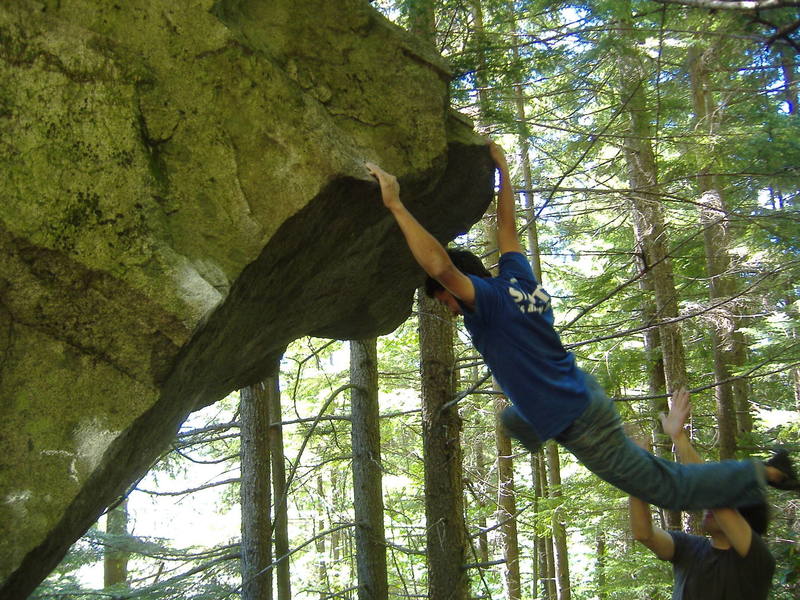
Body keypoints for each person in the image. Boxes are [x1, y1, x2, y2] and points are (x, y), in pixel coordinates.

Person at [365, 140, 800, 511]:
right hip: (580, 391)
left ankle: (769, 473)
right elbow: (508, 228)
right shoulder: (518, 279)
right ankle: (541, 425)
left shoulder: (488, 301)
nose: (450, 310)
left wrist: (395, 204)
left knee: (669, 488)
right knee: (515, 417)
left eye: (445, 302)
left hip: (577, 418)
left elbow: (439, 264)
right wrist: (502, 170)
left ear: (455, 291)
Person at [629, 388, 776, 599]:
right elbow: (644, 534)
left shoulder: (756, 559)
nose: (708, 508)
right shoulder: (689, 548)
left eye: (725, 506)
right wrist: (637, 472)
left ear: (742, 516)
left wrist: (678, 437)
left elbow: (711, 491)